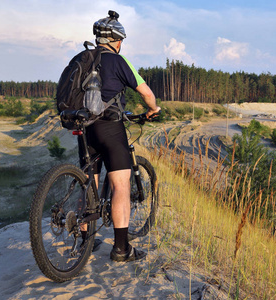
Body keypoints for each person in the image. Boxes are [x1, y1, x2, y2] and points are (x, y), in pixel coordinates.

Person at [79, 10, 160, 262]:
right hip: (109, 127)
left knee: (88, 184)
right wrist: (152, 109)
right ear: (117, 41)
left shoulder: (82, 59)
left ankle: (85, 242)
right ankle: (122, 249)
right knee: (121, 185)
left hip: (84, 128)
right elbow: (146, 92)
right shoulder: (119, 61)